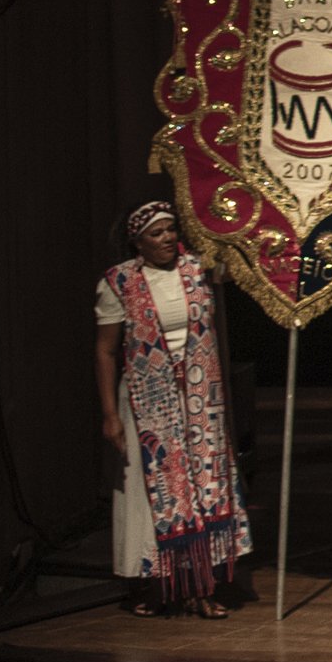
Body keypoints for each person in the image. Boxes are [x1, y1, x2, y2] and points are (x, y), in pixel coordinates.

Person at [93, 201, 251, 616]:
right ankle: (162, 586)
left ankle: (202, 585)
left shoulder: (198, 268)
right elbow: (106, 351)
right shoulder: (120, 281)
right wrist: (109, 414)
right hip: (147, 402)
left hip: (199, 399)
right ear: (137, 241)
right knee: (156, 491)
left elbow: (241, 261)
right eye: (156, 233)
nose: (167, 238)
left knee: (202, 486)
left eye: (171, 229)